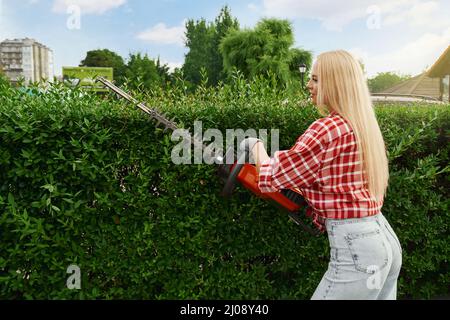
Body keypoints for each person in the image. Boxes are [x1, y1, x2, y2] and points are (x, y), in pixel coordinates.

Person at [240, 50, 402, 300]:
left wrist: (255, 145)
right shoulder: (361, 126)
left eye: (315, 79)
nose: (308, 85)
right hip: (383, 238)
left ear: (334, 83)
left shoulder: (329, 127)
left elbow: (274, 175)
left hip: (358, 248)